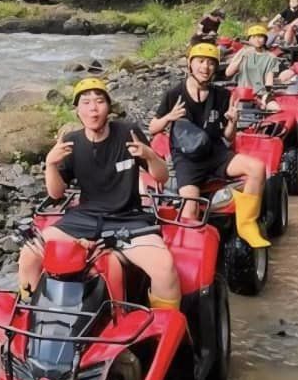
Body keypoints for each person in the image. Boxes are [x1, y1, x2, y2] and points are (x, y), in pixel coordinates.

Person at [17, 78, 182, 310]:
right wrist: (51, 165)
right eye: (86, 102)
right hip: (84, 218)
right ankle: (30, 316)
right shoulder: (71, 142)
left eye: (99, 101)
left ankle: (164, 326)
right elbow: (56, 193)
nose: (93, 109)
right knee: (29, 255)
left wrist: (150, 156)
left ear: (109, 107)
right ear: (77, 110)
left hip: (127, 218)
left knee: (165, 268)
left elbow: (162, 177)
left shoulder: (128, 132)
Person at [148, 44, 271, 248]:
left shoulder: (222, 95)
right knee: (190, 209)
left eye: (211, 63)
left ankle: (247, 224)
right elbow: (153, 128)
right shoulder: (174, 94)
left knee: (257, 168)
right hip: (187, 159)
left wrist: (232, 123)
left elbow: (228, 138)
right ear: (190, 64)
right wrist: (169, 117)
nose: (205, 67)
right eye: (201, 61)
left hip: (216, 153)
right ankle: (191, 249)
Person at [226, 24, 284, 110]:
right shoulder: (243, 52)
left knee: (276, 108)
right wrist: (242, 57)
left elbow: (269, 79)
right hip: (243, 93)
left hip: (261, 93)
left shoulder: (271, 57)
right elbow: (228, 73)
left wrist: (267, 95)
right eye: (253, 37)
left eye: (260, 37)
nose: (257, 40)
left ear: (265, 39)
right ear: (249, 39)